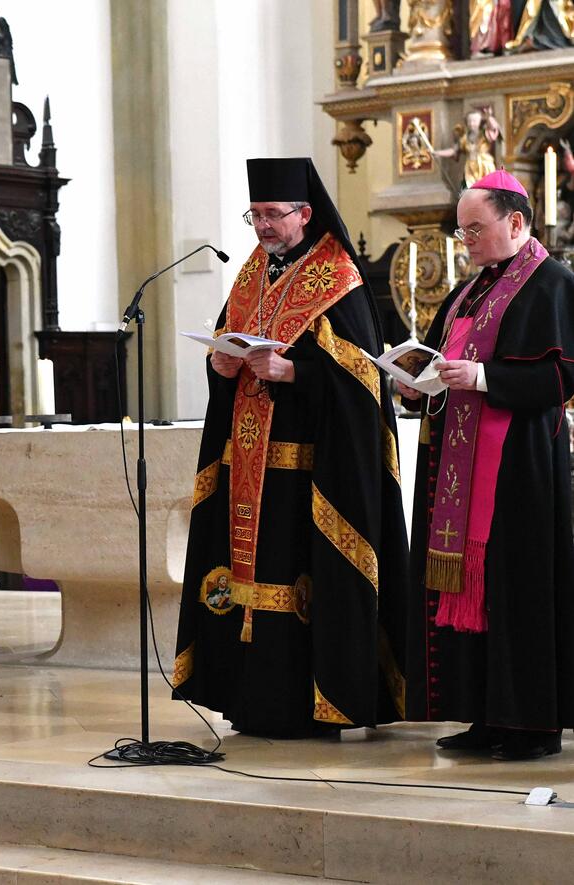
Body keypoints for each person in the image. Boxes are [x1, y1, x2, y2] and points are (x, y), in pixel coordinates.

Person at [172, 157, 409, 737]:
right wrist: (221, 366)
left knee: (296, 579)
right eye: (254, 215)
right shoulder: (253, 271)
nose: (262, 226)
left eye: (273, 214)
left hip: (308, 472)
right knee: (242, 577)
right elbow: (229, 340)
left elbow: (364, 378)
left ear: (304, 214)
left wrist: (293, 371)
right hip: (246, 462)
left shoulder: (338, 276)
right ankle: (248, 699)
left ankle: (308, 706)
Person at [397, 170, 574, 760]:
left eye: (475, 229)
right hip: (458, 466)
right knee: (473, 593)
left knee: (517, 589)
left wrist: (482, 377)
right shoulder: (468, 292)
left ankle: (530, 725)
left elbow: (561, 376)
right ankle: (483, 715)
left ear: (515, 222)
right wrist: (414, 385)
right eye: (461, 231)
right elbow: (435, 358)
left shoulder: (553, 284)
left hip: (519, 467)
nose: (466, 241)